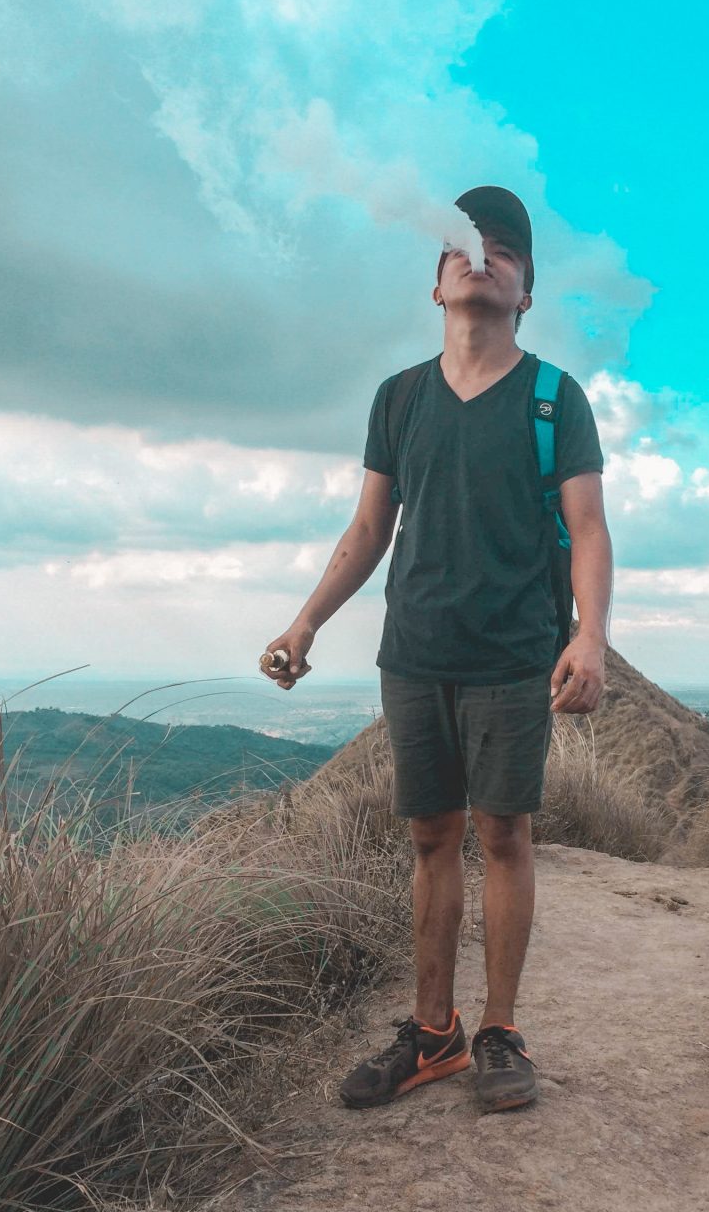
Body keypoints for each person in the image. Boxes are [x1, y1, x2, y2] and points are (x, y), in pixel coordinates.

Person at [261, 185, 613, 1114]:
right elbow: (369, 527)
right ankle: (433, 1037)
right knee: (429, 838)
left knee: (502, 835)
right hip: (412, 651)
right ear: (436, 284)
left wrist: (589, 635)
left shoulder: (553, 399)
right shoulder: (401, 397)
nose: (481, 256)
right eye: (465, 245)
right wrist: (306, 622)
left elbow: (587, 528)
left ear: (528, 292)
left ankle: (499, 1031)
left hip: (511, 654)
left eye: (506, 251)